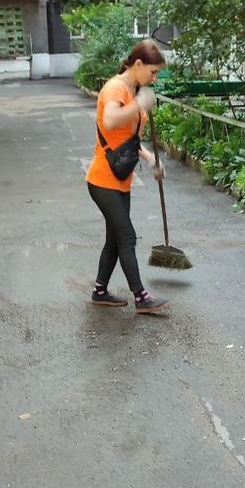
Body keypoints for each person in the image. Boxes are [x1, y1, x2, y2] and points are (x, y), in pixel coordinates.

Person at [85, 39, 169, 314]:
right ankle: (141, 297)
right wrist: (138, 105)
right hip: (102, 180)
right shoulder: (115, 88)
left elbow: (128, 139)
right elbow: (110, 121)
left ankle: (100, 291)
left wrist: (151, 158)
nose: (154, 78)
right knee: (127, 238)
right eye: (153, 72)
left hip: (121, 177)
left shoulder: (135, 89)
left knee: (114, 239)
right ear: (138, 64)